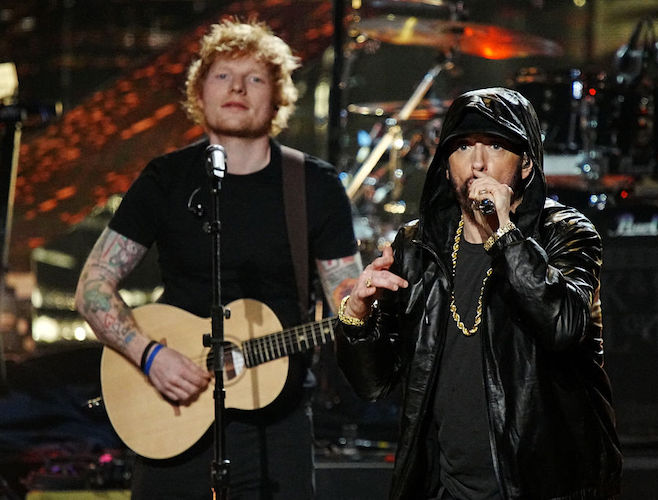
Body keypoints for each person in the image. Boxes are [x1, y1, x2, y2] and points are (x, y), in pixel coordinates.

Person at [75, 19, 360, 499]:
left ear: (276, 97)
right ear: (199, 93)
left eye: (255, 78)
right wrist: (149, 356)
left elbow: (344, 296)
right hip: (173, 413)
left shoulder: (313, 184)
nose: (237, 88)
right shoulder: (166, 178)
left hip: (279, 424)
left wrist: (364, 301)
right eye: (223, 75)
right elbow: (92, 287)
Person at [335, 87, 622, 499]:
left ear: (525, 164)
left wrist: (506, 234)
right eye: (464, 147)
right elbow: (373, 384)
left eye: (496, 146)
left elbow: (562, 326)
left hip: (544, 485)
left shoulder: (566, 234)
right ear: (445, 161)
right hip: (446, 487)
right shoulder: (418, 245)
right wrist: (358, 315)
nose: (479, 163)